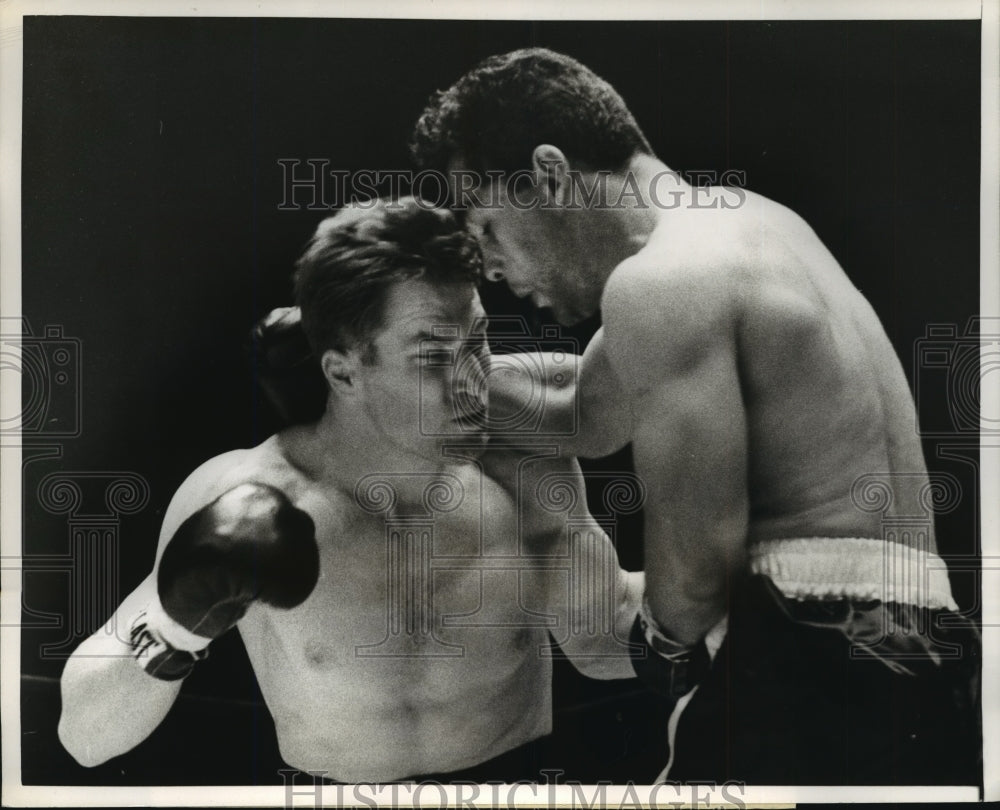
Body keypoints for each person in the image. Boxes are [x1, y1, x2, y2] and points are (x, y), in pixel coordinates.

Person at [410, 48, 981, 785]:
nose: (487, 264)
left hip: (805, 653)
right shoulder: (755, 228)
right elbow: (580, 415)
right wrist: (411, 370)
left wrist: (666, 648)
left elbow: (700, 563)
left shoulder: (661, 284)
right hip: (927, 647)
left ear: (549, 172)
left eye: (487, 224)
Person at [57, 197, 643, 784]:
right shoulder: (250, 492)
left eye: (478, 341)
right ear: (342, 372)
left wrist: (724, 574)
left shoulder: (522, 467)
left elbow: (603, 641)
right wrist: (174, 626)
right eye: (432, 356)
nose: (473, 381)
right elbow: (85, 737)